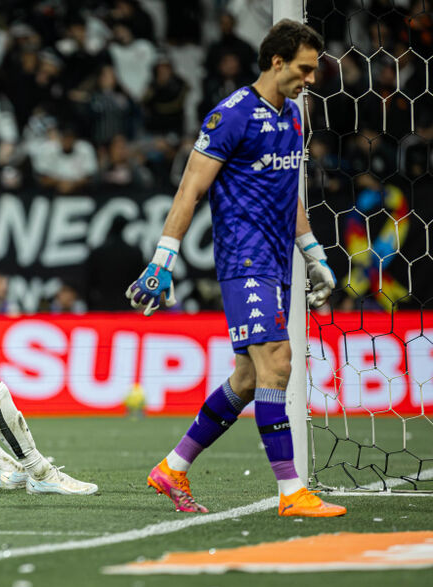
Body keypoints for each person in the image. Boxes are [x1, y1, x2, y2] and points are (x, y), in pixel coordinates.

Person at [125, 20, 345, 518]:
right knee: (278, 362)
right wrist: (163, 259)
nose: (311, 79)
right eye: (305, 69)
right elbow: (190, 190)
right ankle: (293, 493)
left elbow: (291, 193)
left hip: (277, 260)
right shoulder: (231, 116)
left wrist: (314, 254)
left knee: (248, 377)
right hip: (244, 259)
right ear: (277, 61)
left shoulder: (293, 116)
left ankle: (173, 467)